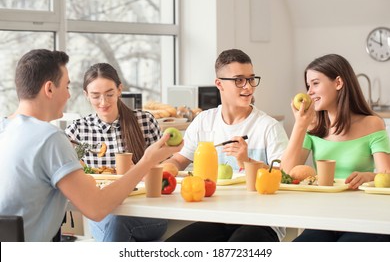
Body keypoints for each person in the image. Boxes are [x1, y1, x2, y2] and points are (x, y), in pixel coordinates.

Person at [0, 49, 182, 242]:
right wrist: (147, 161)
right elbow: (96, 208)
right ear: (50, 89)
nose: (69, 95)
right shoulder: (50, 138)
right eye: (67, 86)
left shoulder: (5, 129)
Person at [165, 48, 289, 242]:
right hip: (216, 216)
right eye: (239, 80)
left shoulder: (268, 127)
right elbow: (179, 159)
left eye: (251, 79)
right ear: (219, 84)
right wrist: (166, 169)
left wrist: (247, 161)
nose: (248, 87)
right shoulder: (204, 121)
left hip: (261, 220)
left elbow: (285, 177)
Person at [281, 53, 390, 242]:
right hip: (323, 218)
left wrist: (369, 176)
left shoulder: (372, 123)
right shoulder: (313, 126)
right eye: (308, 86)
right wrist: (300, 125)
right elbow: (285, 173)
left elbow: (386, 176)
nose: (309, 92)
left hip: (364, 219)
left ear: (338, 82)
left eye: (315, 83)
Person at [65, 63, 168, 242]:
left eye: (110, 94)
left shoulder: (145, 121)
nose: (103, 102)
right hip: (104, 212)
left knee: (118, 223)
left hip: (148, 211)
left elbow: (168, 170)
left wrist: (143, 170)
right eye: (96, 96)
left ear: (120, 90)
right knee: (114, 222)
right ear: (86, 95)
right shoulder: (77, 130)